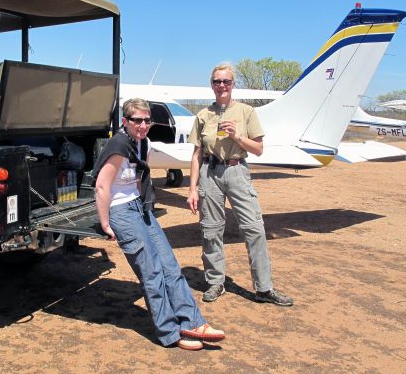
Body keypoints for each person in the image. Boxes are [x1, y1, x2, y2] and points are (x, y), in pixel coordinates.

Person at [95, 98, 225, 351]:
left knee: (169, 264)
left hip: (139, 208)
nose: (143, 125)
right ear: (126, 121)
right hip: (121, 210)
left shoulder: (142, 142)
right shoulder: (120, 143)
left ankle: (193, 322)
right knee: (151, 271)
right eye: (137, 121)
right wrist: (105, 223)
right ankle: (169, 332)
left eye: (147, 120)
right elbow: (102, 186)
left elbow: (138, 179)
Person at [187, 63, 293, 306]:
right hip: (210, 172)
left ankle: (264, 289)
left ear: (233, 85)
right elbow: (196, 155)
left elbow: (258, 150)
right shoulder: (203, 115)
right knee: (211, 229)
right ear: (211, 85)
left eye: (226, 81)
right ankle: (215, 282)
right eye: (217, 82)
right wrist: (192, 189)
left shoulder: (246, 112)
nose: (221, 86)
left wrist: (237, 136)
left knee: (254, 228)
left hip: (237, 171)